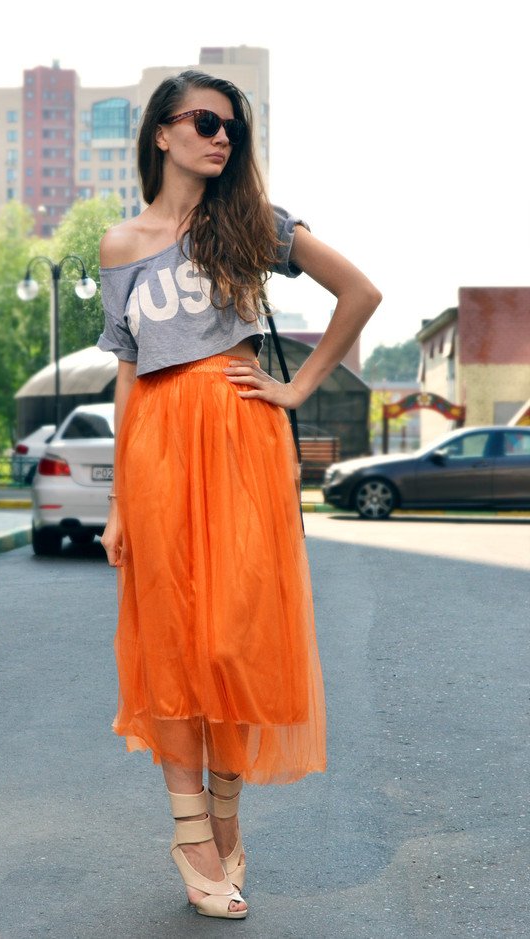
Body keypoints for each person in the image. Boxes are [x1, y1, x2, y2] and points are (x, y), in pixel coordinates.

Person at [98, 69, 381, 920]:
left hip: (240, 441)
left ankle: (223, 818)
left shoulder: (254, 224)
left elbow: (361, 292)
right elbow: (124, 369)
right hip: (156, 446)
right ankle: (193, 835)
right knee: (172, 646)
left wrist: (297, 392)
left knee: (234, 643)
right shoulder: (121, 246)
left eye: (233, 128)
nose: (222, 137)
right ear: (162, 133)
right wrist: (117, 499)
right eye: (206, 122)